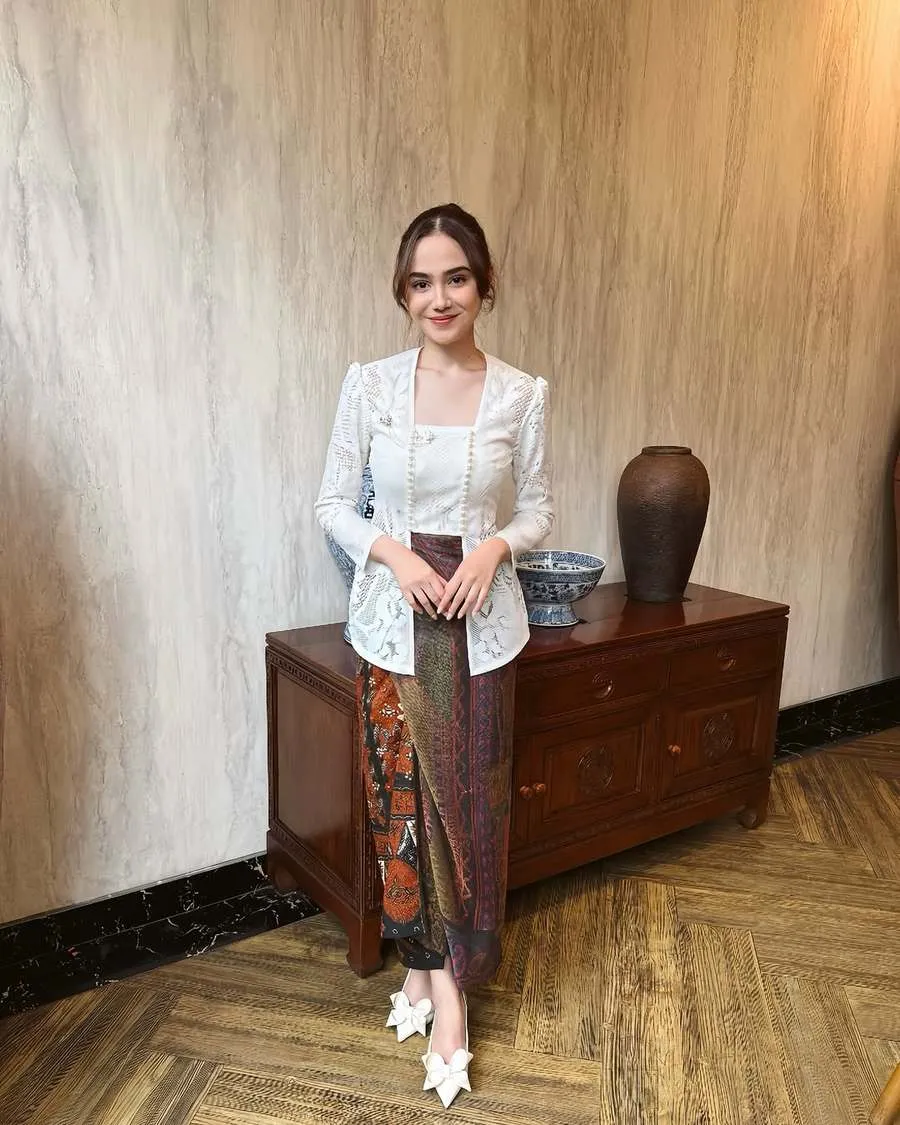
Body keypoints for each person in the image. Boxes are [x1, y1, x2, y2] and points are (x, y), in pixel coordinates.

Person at [315, 203, 554, 1108]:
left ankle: (442, 978)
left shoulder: (520, 394)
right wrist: (397, 554)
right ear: (403, 292)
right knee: (402, 809)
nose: (439, 297)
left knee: (470, 814)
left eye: (456, 277)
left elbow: (538, 507)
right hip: (394, 624)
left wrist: (493, 548)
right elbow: (332, 503)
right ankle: (431, 977)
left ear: (484, 284)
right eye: (421, 282)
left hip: (481, 633)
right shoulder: (371, 386)